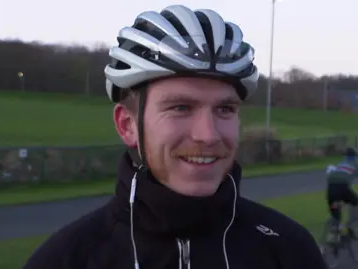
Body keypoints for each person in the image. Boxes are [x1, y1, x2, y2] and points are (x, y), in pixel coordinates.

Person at [23, 4, 327, 269]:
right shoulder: (68, 260)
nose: (207, 135)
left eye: (224, 109)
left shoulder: (288, 250)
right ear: (127, 125)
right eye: (180, 107)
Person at [325, 147, 358, 241]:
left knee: (336, 211)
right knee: (355, 201)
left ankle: (332, 235)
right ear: (355, 156)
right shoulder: (357, 166)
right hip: (342, 187)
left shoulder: (339, 165)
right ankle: (351, 228)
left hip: (330, 189)